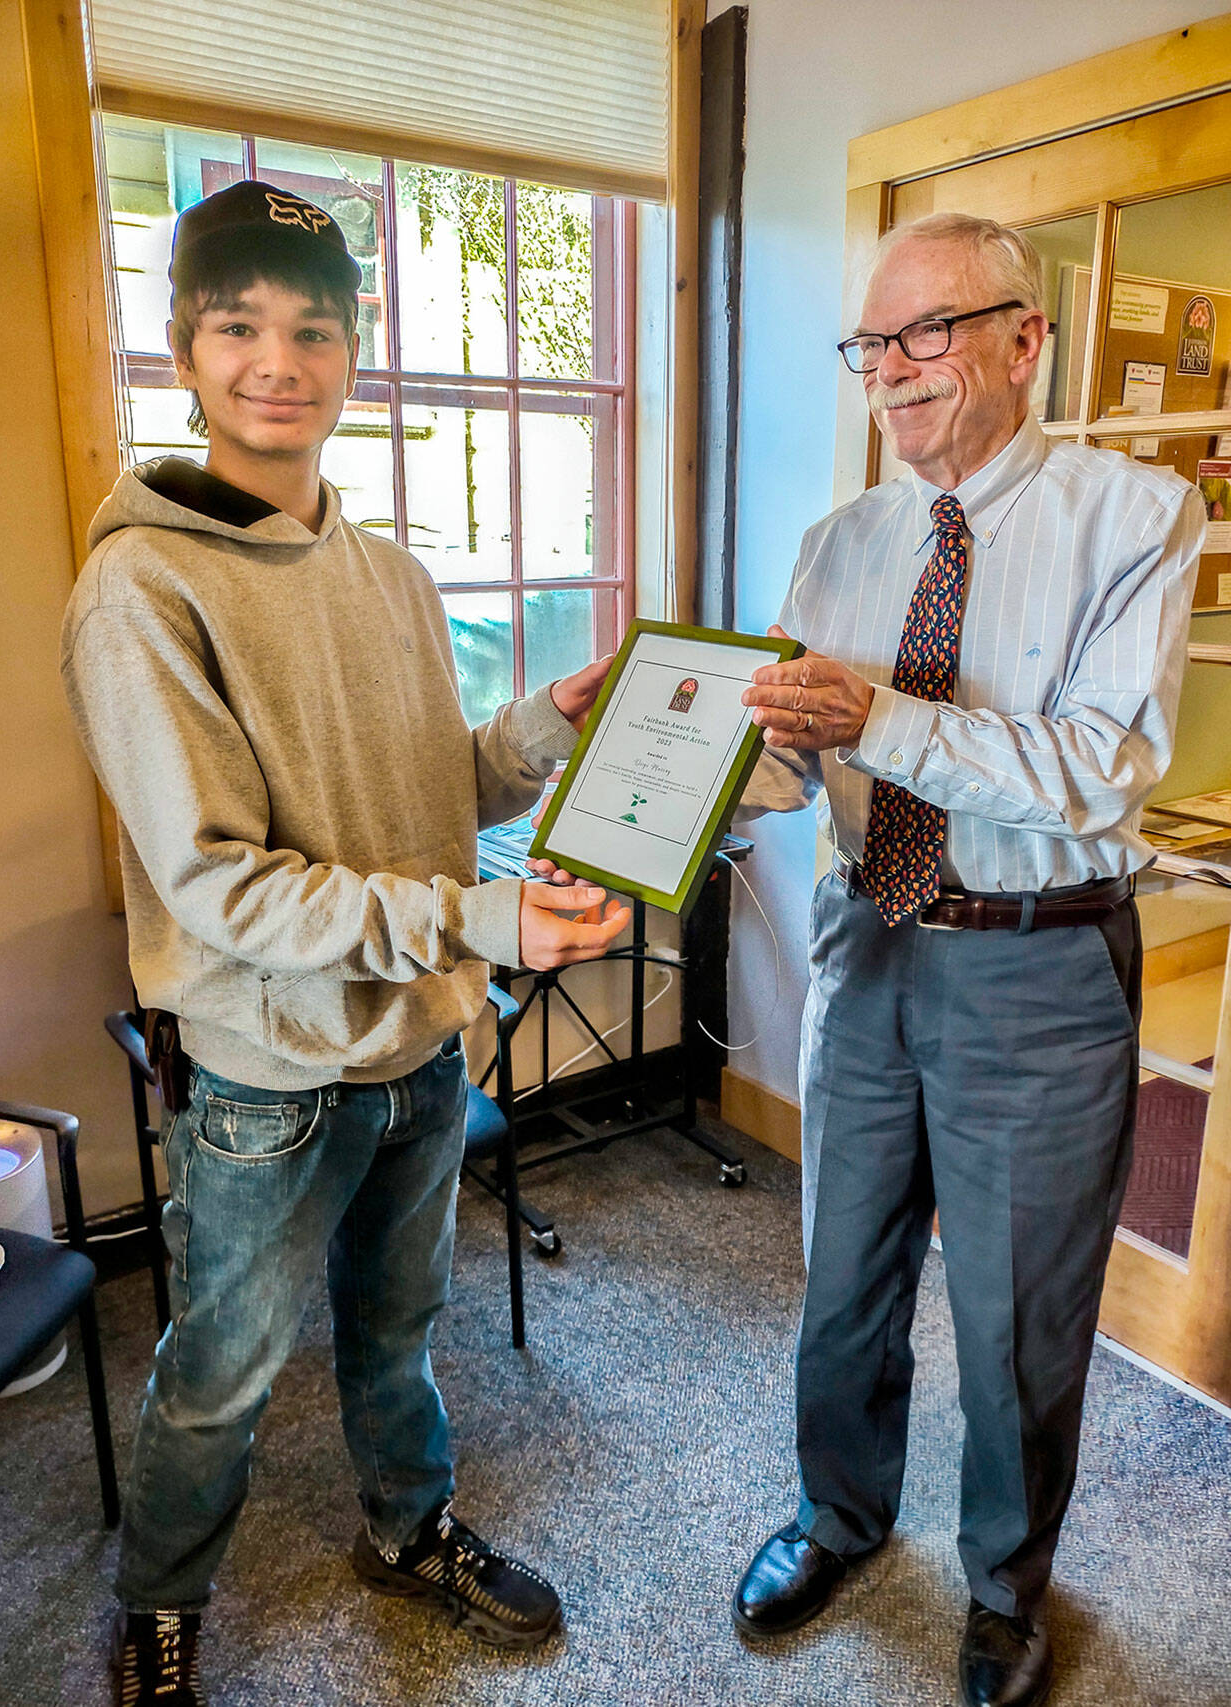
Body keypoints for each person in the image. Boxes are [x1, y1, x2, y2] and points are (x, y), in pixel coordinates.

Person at [60, 179, 630, 1707]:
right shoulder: (141, 585)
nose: (277, 360)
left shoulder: (387, 570)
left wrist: (533, 733)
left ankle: (408, 1528)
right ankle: (160, 1603)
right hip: (266, 1075)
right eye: (237, 324)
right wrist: (482, 917)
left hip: (417, 1047)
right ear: (184, 348)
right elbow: (223, 888)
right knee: (222, 1378)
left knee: (402, 1327)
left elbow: (423, 786)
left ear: (354, 352)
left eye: (313, 327)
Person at [728, 212, 1205, 1707]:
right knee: (844, 1284)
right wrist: (653, 797)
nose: (894, 368)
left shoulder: (1134, 517)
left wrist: (869, 715)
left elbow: (1096, 770)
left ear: (1025, 339)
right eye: (874, 342)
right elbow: (789, 771)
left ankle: (1005, 1585)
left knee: (1016, 1320)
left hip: (1038, 971)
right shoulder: (843, 541)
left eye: (931, 331)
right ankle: (840, 1518)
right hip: (865, 944)